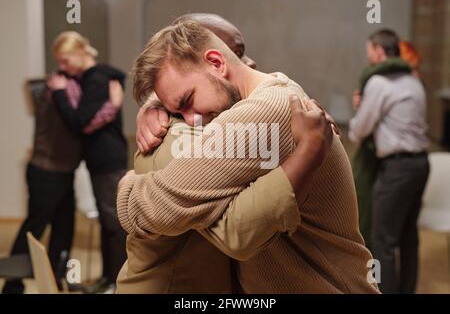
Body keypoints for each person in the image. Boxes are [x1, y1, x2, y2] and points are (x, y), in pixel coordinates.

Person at [117, 20, 379, 293]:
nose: (190, 122)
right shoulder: (267, 96)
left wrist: (128, 185)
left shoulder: (267, 112)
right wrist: (154, 104)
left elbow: (154, 208)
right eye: (177, 111)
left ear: (217, 63)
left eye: (187, 101)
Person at [2, 70, 123, 294]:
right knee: (34, 228)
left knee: (63, 229)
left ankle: (58, 281)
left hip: (64, 171)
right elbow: (81, 121)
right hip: (47, 171)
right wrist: (112, 106)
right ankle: (12, 286)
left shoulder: (65, 90)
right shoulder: (58, 92)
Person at [349, 29, 429, 293]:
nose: (368, 55)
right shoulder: (414, 81)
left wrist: (359, 108)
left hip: (396, 168)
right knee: (408, 238)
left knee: (382, 240)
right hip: (420, 164)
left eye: (369, 49)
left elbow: (359, 130)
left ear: (380, 52)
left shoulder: (379, 83)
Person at [49, 31, 128, 293]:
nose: (63, 68)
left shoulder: (96, 79)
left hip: (108, 159)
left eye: (65, 60)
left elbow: (81, 122)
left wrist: (60, 94)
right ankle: (108, 279)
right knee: (108, 223)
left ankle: (117, 284)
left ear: (81, 52)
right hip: (100, 160)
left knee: (114, 224)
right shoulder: (92, 78)